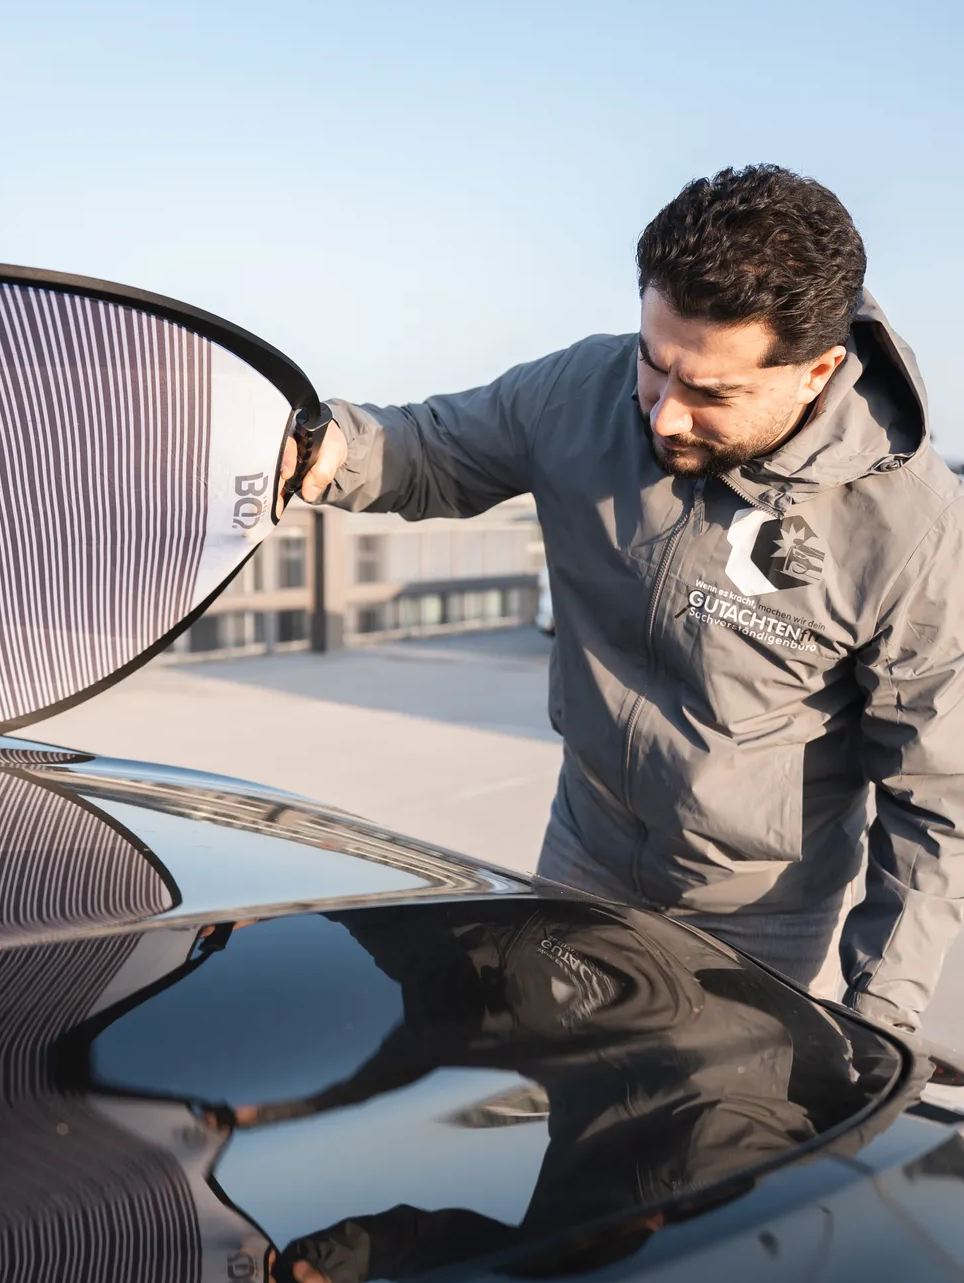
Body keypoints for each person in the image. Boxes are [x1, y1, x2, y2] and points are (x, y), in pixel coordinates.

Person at [279, 165, 964, 1034]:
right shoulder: (582, 392)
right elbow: (432, 447)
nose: (665, 415)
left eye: (712, 392)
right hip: (583, 855)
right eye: (655, 363)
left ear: (816, 371)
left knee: (704, 1158)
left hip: (756, 918)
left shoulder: (914, 529)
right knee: (572, 1135)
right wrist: (332, 442)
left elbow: (937, 801)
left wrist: (882, 1014)